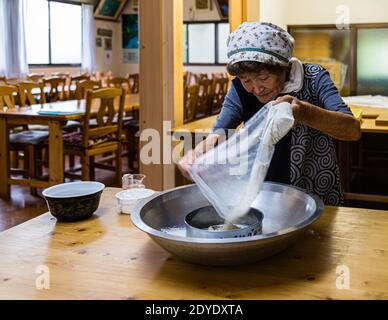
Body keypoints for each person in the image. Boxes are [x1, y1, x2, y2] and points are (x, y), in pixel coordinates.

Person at [178, 22, 360, 206]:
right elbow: (220, 131)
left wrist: (304, 112)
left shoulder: (314, 78)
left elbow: (352, 130)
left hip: (313, 191)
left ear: (283, 67)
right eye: (246, 80)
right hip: (262, 193)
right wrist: (196, 154)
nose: (256, 88)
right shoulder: (239, 89)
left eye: (263, 78)